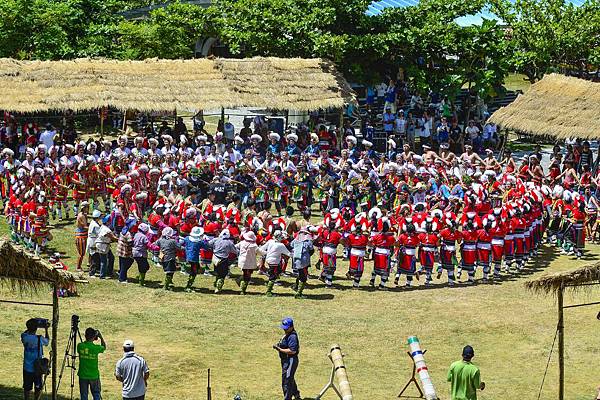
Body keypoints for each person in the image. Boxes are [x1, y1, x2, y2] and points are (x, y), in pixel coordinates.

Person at [21, 319, 49, 400]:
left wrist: (31, 326)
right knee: (38, 387)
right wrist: (46, 329)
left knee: (27, 388)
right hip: (37, 368)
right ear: (36, 328)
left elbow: (24, 333)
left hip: (27, 367)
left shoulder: (24, 337)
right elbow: (47, 342)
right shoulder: (39, 338)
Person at [273, 317, 300, 400]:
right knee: (289, 377)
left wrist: (280, 349)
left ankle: (287, 398)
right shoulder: (287, 334)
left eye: (286, 328)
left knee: (286, 380)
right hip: (285, 361)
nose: (284, 330)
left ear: (291, 327)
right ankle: (296, 394)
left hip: (290, 360)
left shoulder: (292, 337)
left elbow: (292, 351)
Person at [77, 327, 106, 400]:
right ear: (94, 337)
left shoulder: (80, 346)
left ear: (85, 336)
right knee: (96, 394)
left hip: (83, 375)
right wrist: (100, 337)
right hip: (94, 375)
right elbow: (104, 347)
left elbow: (84, 344)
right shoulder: (96, 348)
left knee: (84, 395)